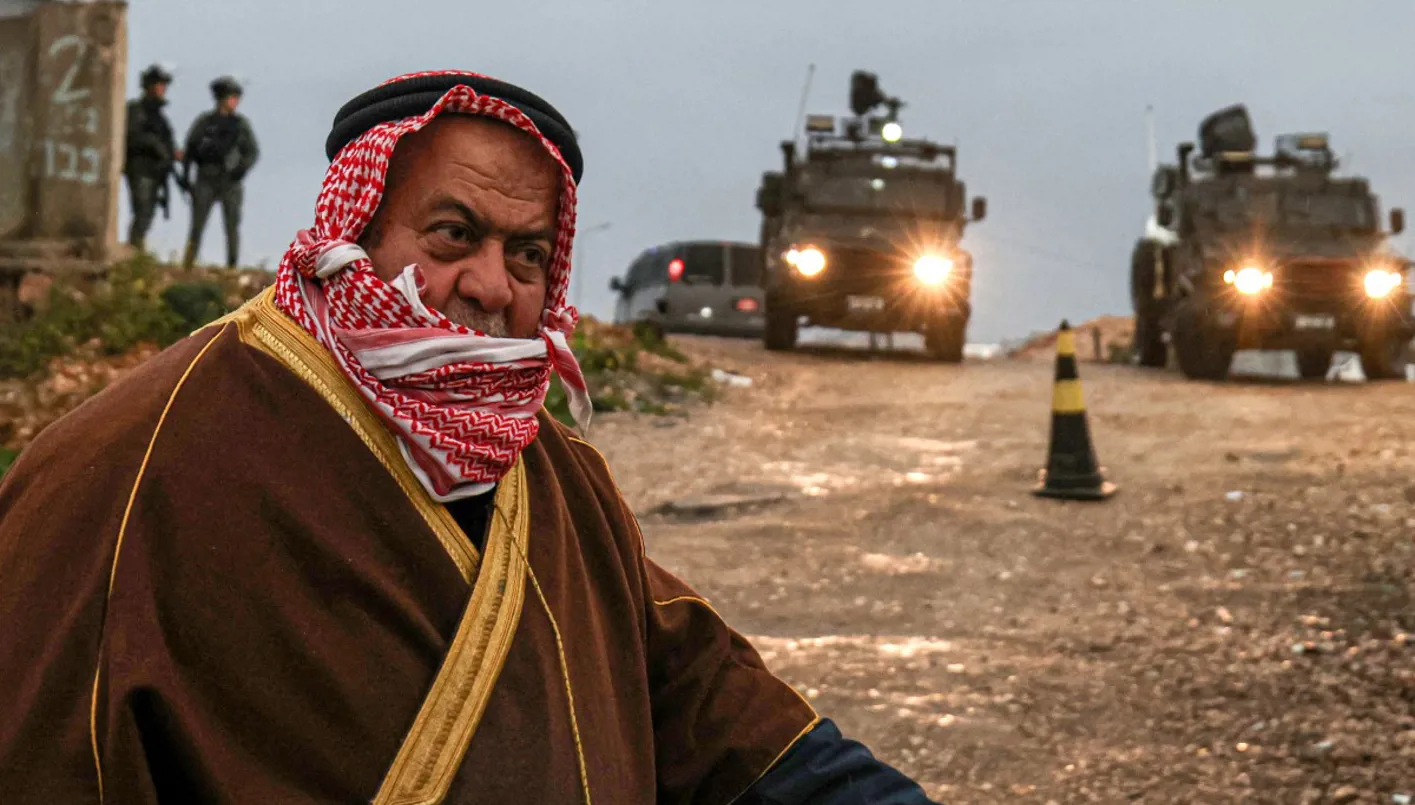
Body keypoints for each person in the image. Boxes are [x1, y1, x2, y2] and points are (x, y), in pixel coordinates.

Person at [0, 70, 940, 803]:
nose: (493, 286)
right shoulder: (144, 455)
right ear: (353, 231)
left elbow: (703, 704)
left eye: (528, 253)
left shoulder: (556, 475)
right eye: (453, 234)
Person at [181, 75, 259, 268]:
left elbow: (252, 152)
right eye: (231, 97)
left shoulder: (240, 124)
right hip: (205, 177)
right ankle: (188, 263)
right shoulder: (204, 122)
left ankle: (232, 265)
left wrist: (240, 169)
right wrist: (185, 178)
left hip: (230, 180)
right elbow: (190, 150)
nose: (235, 101)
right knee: (197, 225)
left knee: (231, 225)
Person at [122, 64, 181, 251]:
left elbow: (168, 142)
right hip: (140, 169)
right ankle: (134, 250)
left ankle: (136, 249)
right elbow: (133, 136)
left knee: (147, 213)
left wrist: (173, 153)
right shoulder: (136, 110)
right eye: (159, 84)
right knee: (142, 211)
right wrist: (156, 146)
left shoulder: (160, 117)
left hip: (156, 172)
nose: (162, 89)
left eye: (164, 85)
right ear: (149, 86)